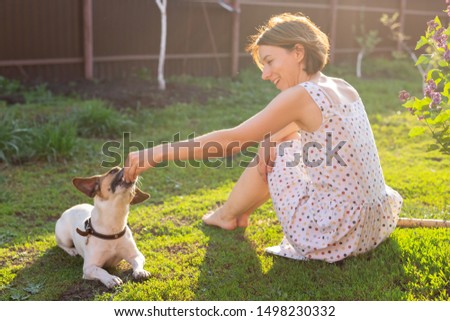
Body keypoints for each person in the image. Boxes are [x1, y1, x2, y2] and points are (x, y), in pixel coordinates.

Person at [123, 12, 403, 263]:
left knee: (282, 149)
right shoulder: (341, 86)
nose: (265, 75)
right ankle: (234, 213)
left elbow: (231, 140)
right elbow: (316, 129)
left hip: (333, 233)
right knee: (279, 142)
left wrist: (155, 153)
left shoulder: (301, 95)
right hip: (374, 224)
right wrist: (269, 139)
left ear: (297, 52)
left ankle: (229, 215)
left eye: (269, 61)